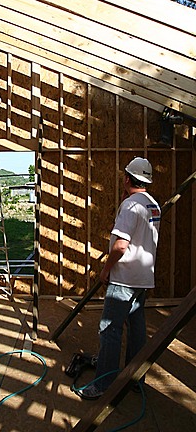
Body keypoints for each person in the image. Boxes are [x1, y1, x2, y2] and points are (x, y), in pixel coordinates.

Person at [75, 157, 161, 400]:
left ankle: (104, 384)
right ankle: (135, 379)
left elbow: (121, 246)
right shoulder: (152, 204)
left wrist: (106, 269)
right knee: (136, 328)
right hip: (143, 278)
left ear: (127, 179)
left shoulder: (131, 206)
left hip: (124, 277)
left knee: (110, 329)